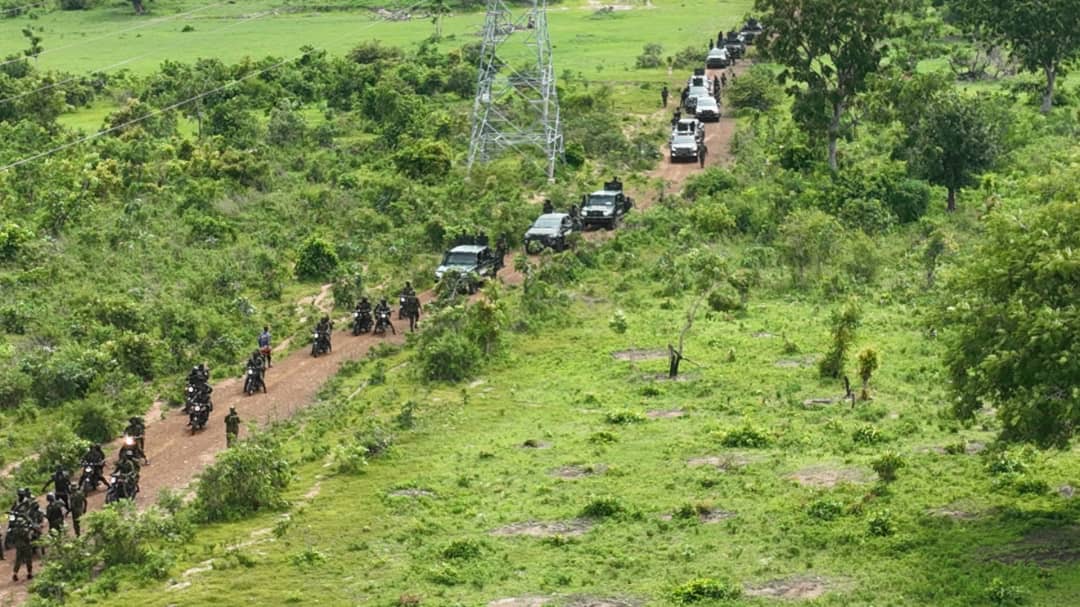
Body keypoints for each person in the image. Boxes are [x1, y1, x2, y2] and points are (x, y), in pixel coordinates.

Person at [9, 514, 32, 581]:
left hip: (18, 546)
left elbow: (12, 538)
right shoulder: (25, 530)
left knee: (18, 560)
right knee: (28, 560)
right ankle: (29, 574)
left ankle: (15, 574)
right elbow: (28, 538)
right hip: (26, 546)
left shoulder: (14, 530)